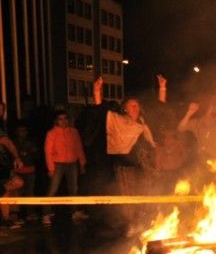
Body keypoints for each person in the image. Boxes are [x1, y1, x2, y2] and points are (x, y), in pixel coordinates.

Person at [96, 77, 156, 231]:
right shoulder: (118, 120)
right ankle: (131, 224)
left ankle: (142, 222)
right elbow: (101, 109)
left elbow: (160, 109)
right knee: (128, 195)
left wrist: (162, 88)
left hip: (143, 165)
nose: (136, 108)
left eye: (137, 106)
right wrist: (97, 91)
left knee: (144, 193)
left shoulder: (143, 123)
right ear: (125, 109)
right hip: (124, 164)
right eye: (132, 106)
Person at [44, 110, 87, 219]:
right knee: (53, 189)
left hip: (72, 163)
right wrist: (50, 168)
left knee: (73, 188)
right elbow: (48, 151)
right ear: (56, 121)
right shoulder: (51, 133)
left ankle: (74, 211)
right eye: (60, 119)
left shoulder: (74, 132)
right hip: (57, 164)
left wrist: (82, 163)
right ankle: (46, 213)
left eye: (65, 118)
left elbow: (79, 147)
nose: (63, 121)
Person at [0, 110, 26, 229]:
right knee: (5, 190)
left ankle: (6, 219)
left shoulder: (2, 127)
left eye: (1, 109)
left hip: (3, 166)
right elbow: (7, 142)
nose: (0, 112)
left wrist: (16, 158)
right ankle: (6, 219)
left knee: (14, 184)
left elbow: (7, 143)